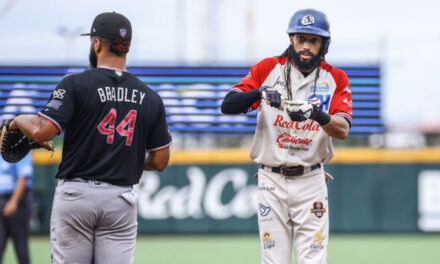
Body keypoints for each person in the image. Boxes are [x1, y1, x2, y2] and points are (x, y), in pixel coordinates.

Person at [8, 12, 172, 264]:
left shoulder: (75, 84)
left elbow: (42, 130)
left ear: (97, 44)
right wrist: (123, 157)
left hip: (77, 196)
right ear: (126, 47)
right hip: (120, 199)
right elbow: (160, 161)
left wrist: (18, 120)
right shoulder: (150, 96)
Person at [221, 9, 352, 264]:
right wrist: (258, 93)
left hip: (311, 179)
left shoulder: (335, 77)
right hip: (272, 180)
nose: (306, 46)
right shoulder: (268, 68)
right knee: (273, 260)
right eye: (300, 38)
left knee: (313, 260)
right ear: (291, 39)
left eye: (313, 40)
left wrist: (316, 113)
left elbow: (342, 129)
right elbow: (228, 105)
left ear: (323, 44)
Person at [0, 154, 33, 264]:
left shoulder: (19, 146)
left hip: (17, 201)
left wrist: (14, 201)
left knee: (21, 246)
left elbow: (23, 176)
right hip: (1, 199)